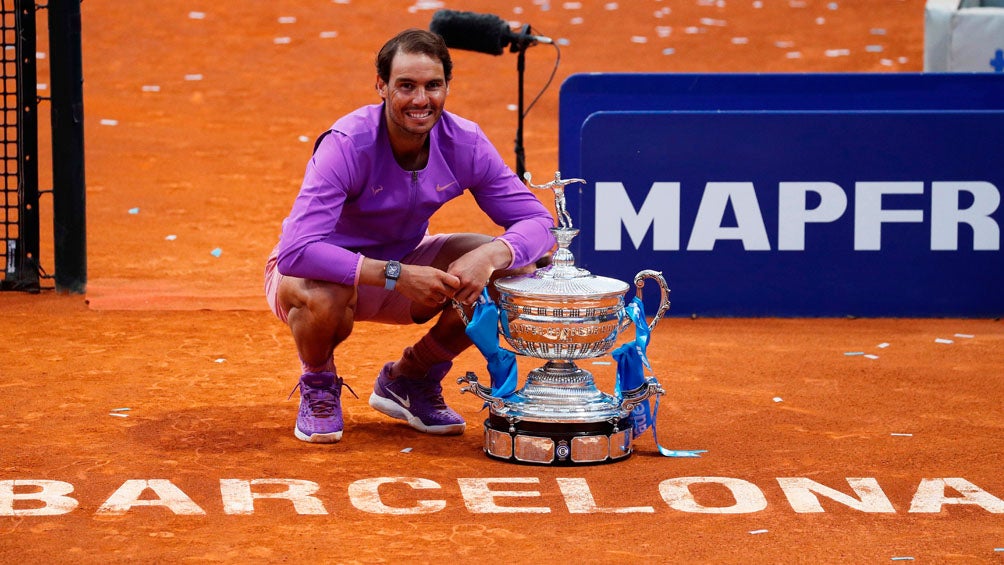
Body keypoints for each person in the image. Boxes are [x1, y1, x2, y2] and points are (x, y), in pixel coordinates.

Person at [264, 29, 556, 443]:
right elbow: (297, 252)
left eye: (432, 86)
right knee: (324, 297)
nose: (421, 100)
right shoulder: (348, 144)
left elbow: (539, 223)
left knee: (514, 269)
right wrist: (397, 274)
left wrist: (494, 253)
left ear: (447, 87)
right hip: (318, 277)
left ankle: (411, 377)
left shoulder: (464, 142)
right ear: (381, 86)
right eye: (407, 86)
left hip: (404, 268)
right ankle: (318, 382)